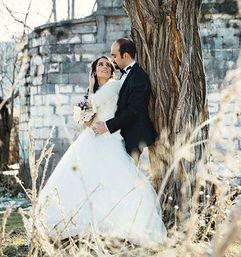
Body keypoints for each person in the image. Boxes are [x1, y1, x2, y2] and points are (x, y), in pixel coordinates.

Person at [32, 56, 166, 246]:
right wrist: (87, 110)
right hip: (92, 137)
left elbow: (91, 105)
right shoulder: (97, 91)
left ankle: (118, 226)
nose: (104, 67)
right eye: (99, 65)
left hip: (109, 138)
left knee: (113, 180)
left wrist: (89, 88)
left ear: (112, 70)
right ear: (94, 70)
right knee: (84, 180)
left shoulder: (113, 86)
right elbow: (88, 121)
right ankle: (84, 225)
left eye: (107, 65)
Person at [92, 38, 158, 164]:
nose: (112, 60)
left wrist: (107, 126)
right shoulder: (124, 75)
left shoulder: (139, 76)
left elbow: (134, 110)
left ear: (126, 56)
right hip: (118, 134)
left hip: (132, 135)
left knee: (126, 176)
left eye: (115, 56)